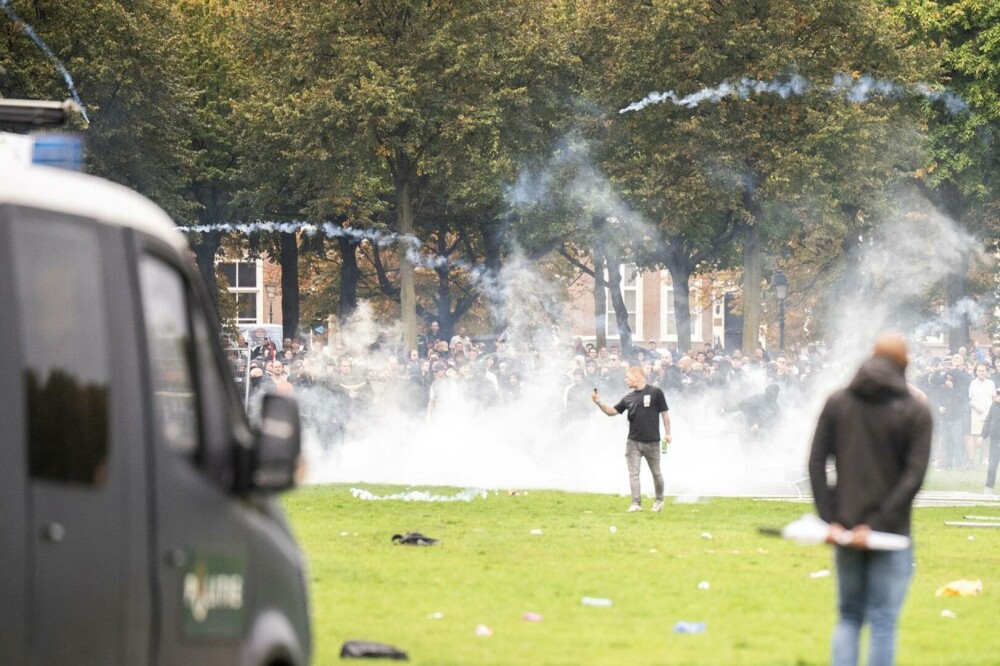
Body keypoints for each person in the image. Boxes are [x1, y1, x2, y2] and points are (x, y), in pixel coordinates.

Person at [808, 332, 932, 666]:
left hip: (845, 525)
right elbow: (913, 478)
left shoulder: (838, 402)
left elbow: (816, 463)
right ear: (905, 364)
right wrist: (876, 524)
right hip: (891, 532)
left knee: (849, 616)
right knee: (882, 621)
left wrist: (830, 517)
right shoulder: (915, 410)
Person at [592, 366, 671, 513]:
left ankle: (659, 500)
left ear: (637, 376)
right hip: (633, 442)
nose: (625, 380)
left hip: (652, 442)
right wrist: (599, 402)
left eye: (628, 377)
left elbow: (665, 414)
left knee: (656, 473)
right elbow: (611, 412)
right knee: (633, 474)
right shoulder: (628, 398)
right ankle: (636, 503)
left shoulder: (656, 392)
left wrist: (668, 433)